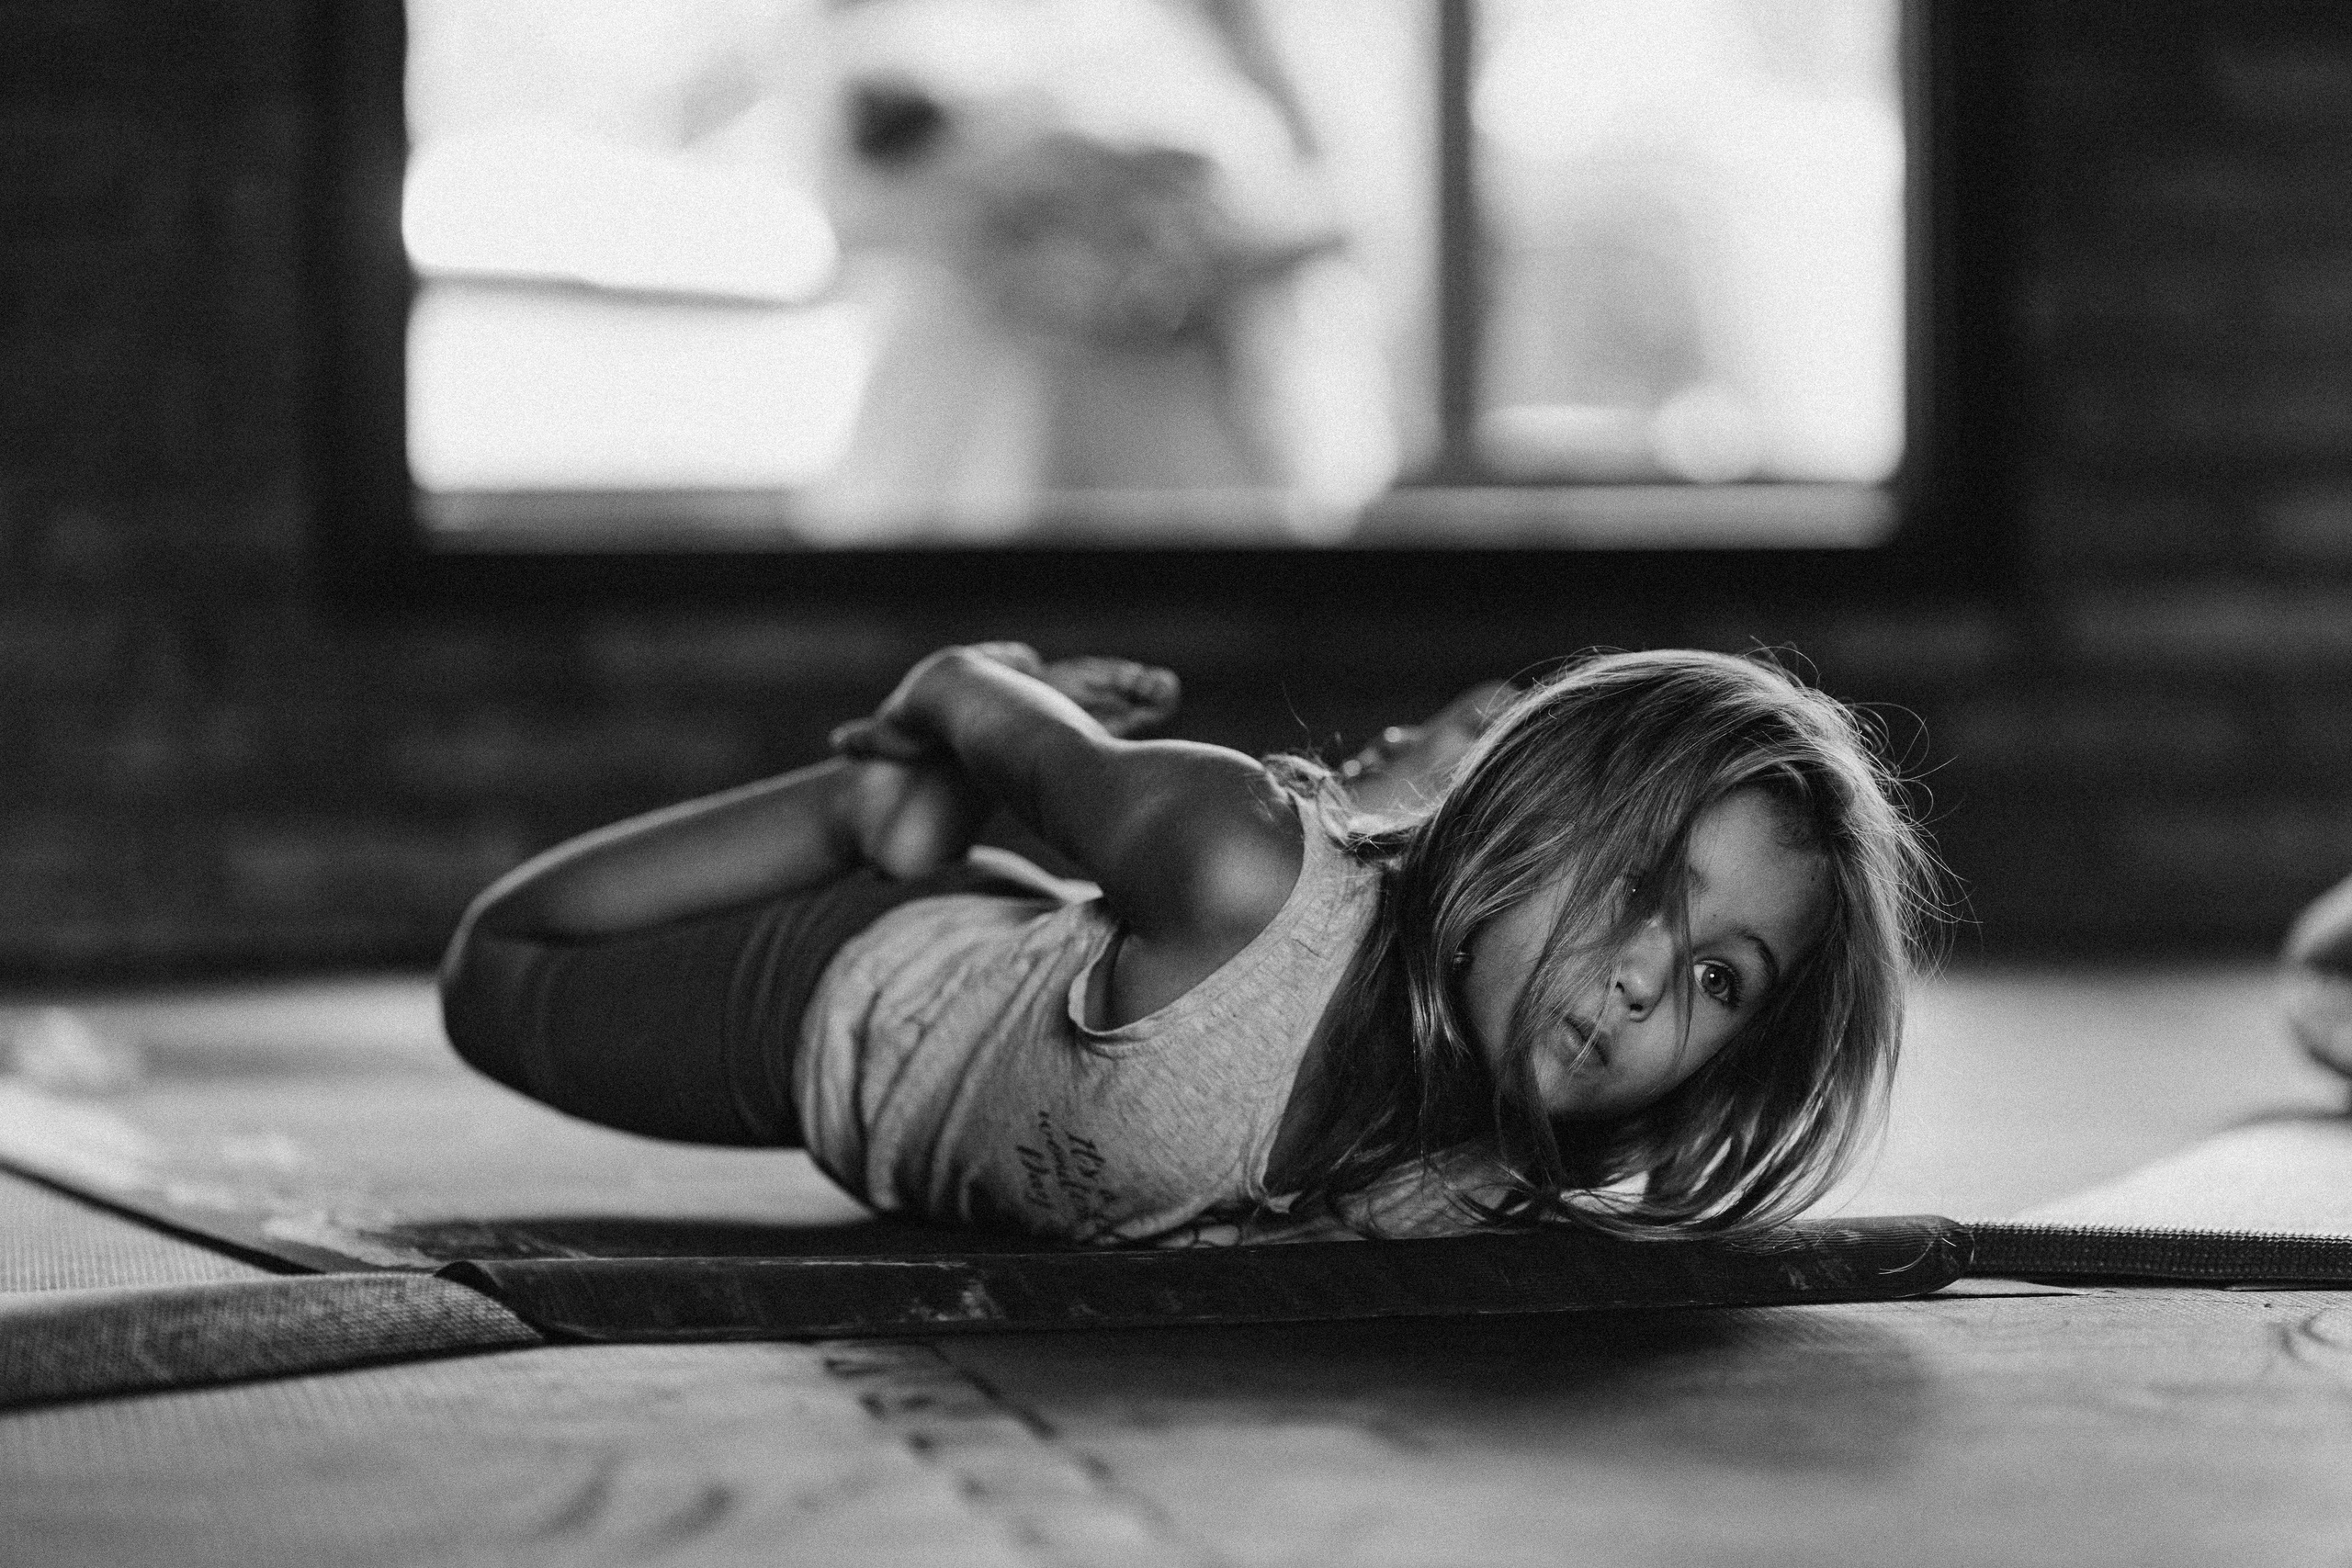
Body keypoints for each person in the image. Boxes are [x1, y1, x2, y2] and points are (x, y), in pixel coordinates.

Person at [440, 644, 1940, 1245]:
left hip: (1086, 989)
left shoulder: (1498, 1172)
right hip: (848, 996)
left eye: (1720, 980)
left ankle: (1368, 818)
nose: (1641, 983)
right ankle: (866, 814)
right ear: (1532, 822)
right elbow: (987, 705)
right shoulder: (1229, 866)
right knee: (493, 980)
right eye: (1638, 896)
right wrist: (945, 721)